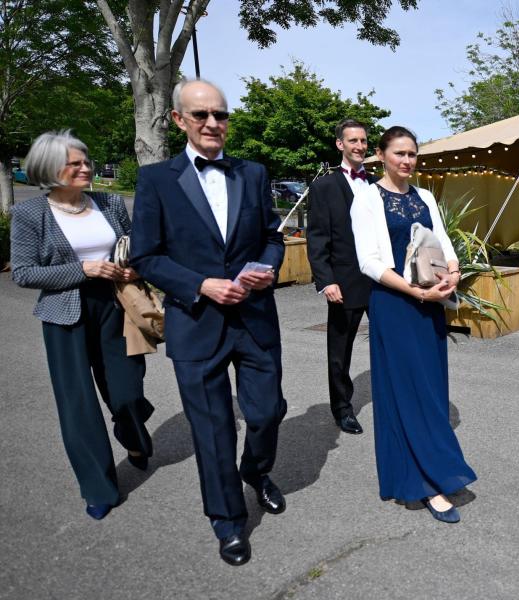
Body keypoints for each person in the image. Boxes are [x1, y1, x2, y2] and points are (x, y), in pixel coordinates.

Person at [130, 79, 287, 566]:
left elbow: (272, 237)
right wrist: (201, 285)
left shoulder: (254, 173)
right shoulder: (156, 180)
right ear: (178, 119)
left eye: (220, 115)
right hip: (196, 322)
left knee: (265, 413)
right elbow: (146, 256)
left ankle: (256, 470)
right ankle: (227, 520)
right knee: (213, 427)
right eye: (201, 116)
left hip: (255, 319)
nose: (213, 124)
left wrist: (268, 267)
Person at [10, 131, 153, 520]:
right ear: (50, 169)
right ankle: (98, 486)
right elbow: (22, 273)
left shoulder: (108, 202)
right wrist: (83, 268)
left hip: (116, 305)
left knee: (127, 392)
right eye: (75, 163)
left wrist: (133, 263)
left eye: (86, 161)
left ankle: (133, 435)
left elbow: (132, 244)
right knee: (79, 405)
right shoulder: (30, 213)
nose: (86, 168)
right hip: (65, 315)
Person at [351, 126, 476, 523]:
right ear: (381, 155)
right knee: (408, 391)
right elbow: (369, 261)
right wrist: (415, 292)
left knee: (432, 389)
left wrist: (453, 272)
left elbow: (444, 242)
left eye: (412, 155)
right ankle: (429, 483)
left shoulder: (424, 196)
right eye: (399, 154)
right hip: (395, 303)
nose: (407, 161)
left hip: (431, 303)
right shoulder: (367, 199)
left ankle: (421, 471)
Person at [306, 119, 379, 435]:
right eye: (353, 141)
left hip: (380, 281)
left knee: (388, 344)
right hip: (344, 283)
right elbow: (317, 238)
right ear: (340, 144)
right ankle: (342, 409)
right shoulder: (323, 187)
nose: (360, 146)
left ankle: (392, 400)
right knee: (339, 352)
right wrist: (326, 281)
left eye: (363, 141)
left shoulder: (377, 184)